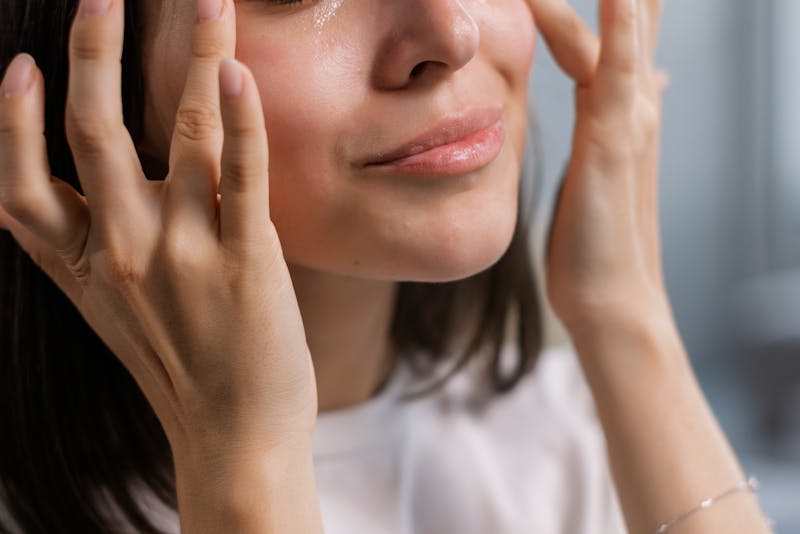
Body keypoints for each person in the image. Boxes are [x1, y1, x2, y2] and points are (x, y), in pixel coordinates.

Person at [0, 0, 774, 532]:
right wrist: (244, 460)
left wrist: (626, 316)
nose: (451, 29)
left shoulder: (572, 435)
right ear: (95, 95)